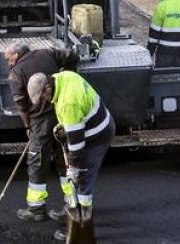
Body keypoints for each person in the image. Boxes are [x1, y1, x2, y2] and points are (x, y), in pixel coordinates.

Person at [28, 70, 114, 241]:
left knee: (81, 181)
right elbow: (76, 121)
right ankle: (72, 214)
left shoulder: (69, 103)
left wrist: (74, 168)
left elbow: (76, 146)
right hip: (95, 125)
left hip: (96, 136)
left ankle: (80, 229)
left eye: (42, 97)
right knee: (77, 178)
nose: (43, 101)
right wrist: (64, 127)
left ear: (47, 88)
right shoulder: (63, 77)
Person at [5, 42, 79, 222]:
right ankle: (72, 204)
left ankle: (36, 209)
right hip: (61, 115)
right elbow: (73, 57)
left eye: (9, 59)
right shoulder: (47, 53)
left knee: (37, 162)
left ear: (16, 53)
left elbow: (21, 105)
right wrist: (67, 75)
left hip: (40, 123)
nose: (9, 63)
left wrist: (28, 126)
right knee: (65, 160)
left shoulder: (16, 73)